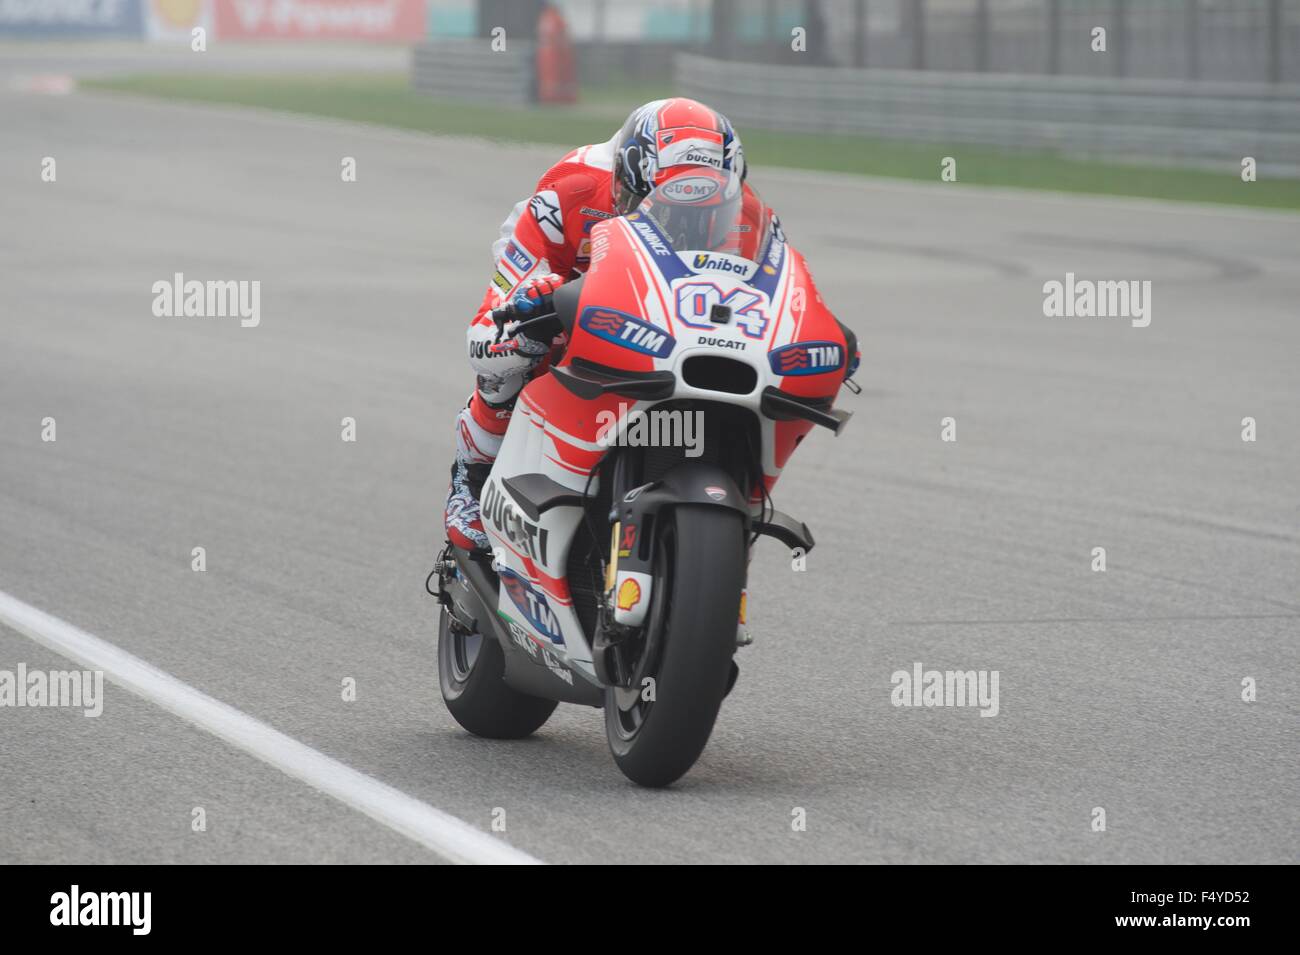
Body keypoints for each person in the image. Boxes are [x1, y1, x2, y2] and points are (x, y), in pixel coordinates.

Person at [445, 97, 768, 551]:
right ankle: (471, 478)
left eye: (701, 208)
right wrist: (535, 306)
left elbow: (776, 289)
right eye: (661, 203)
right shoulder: (571, 190)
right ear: (624, 180)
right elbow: (485, 332)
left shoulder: (745, 213)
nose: (676, 221)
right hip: (569, 281)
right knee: (508, 352)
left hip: (674, 306)